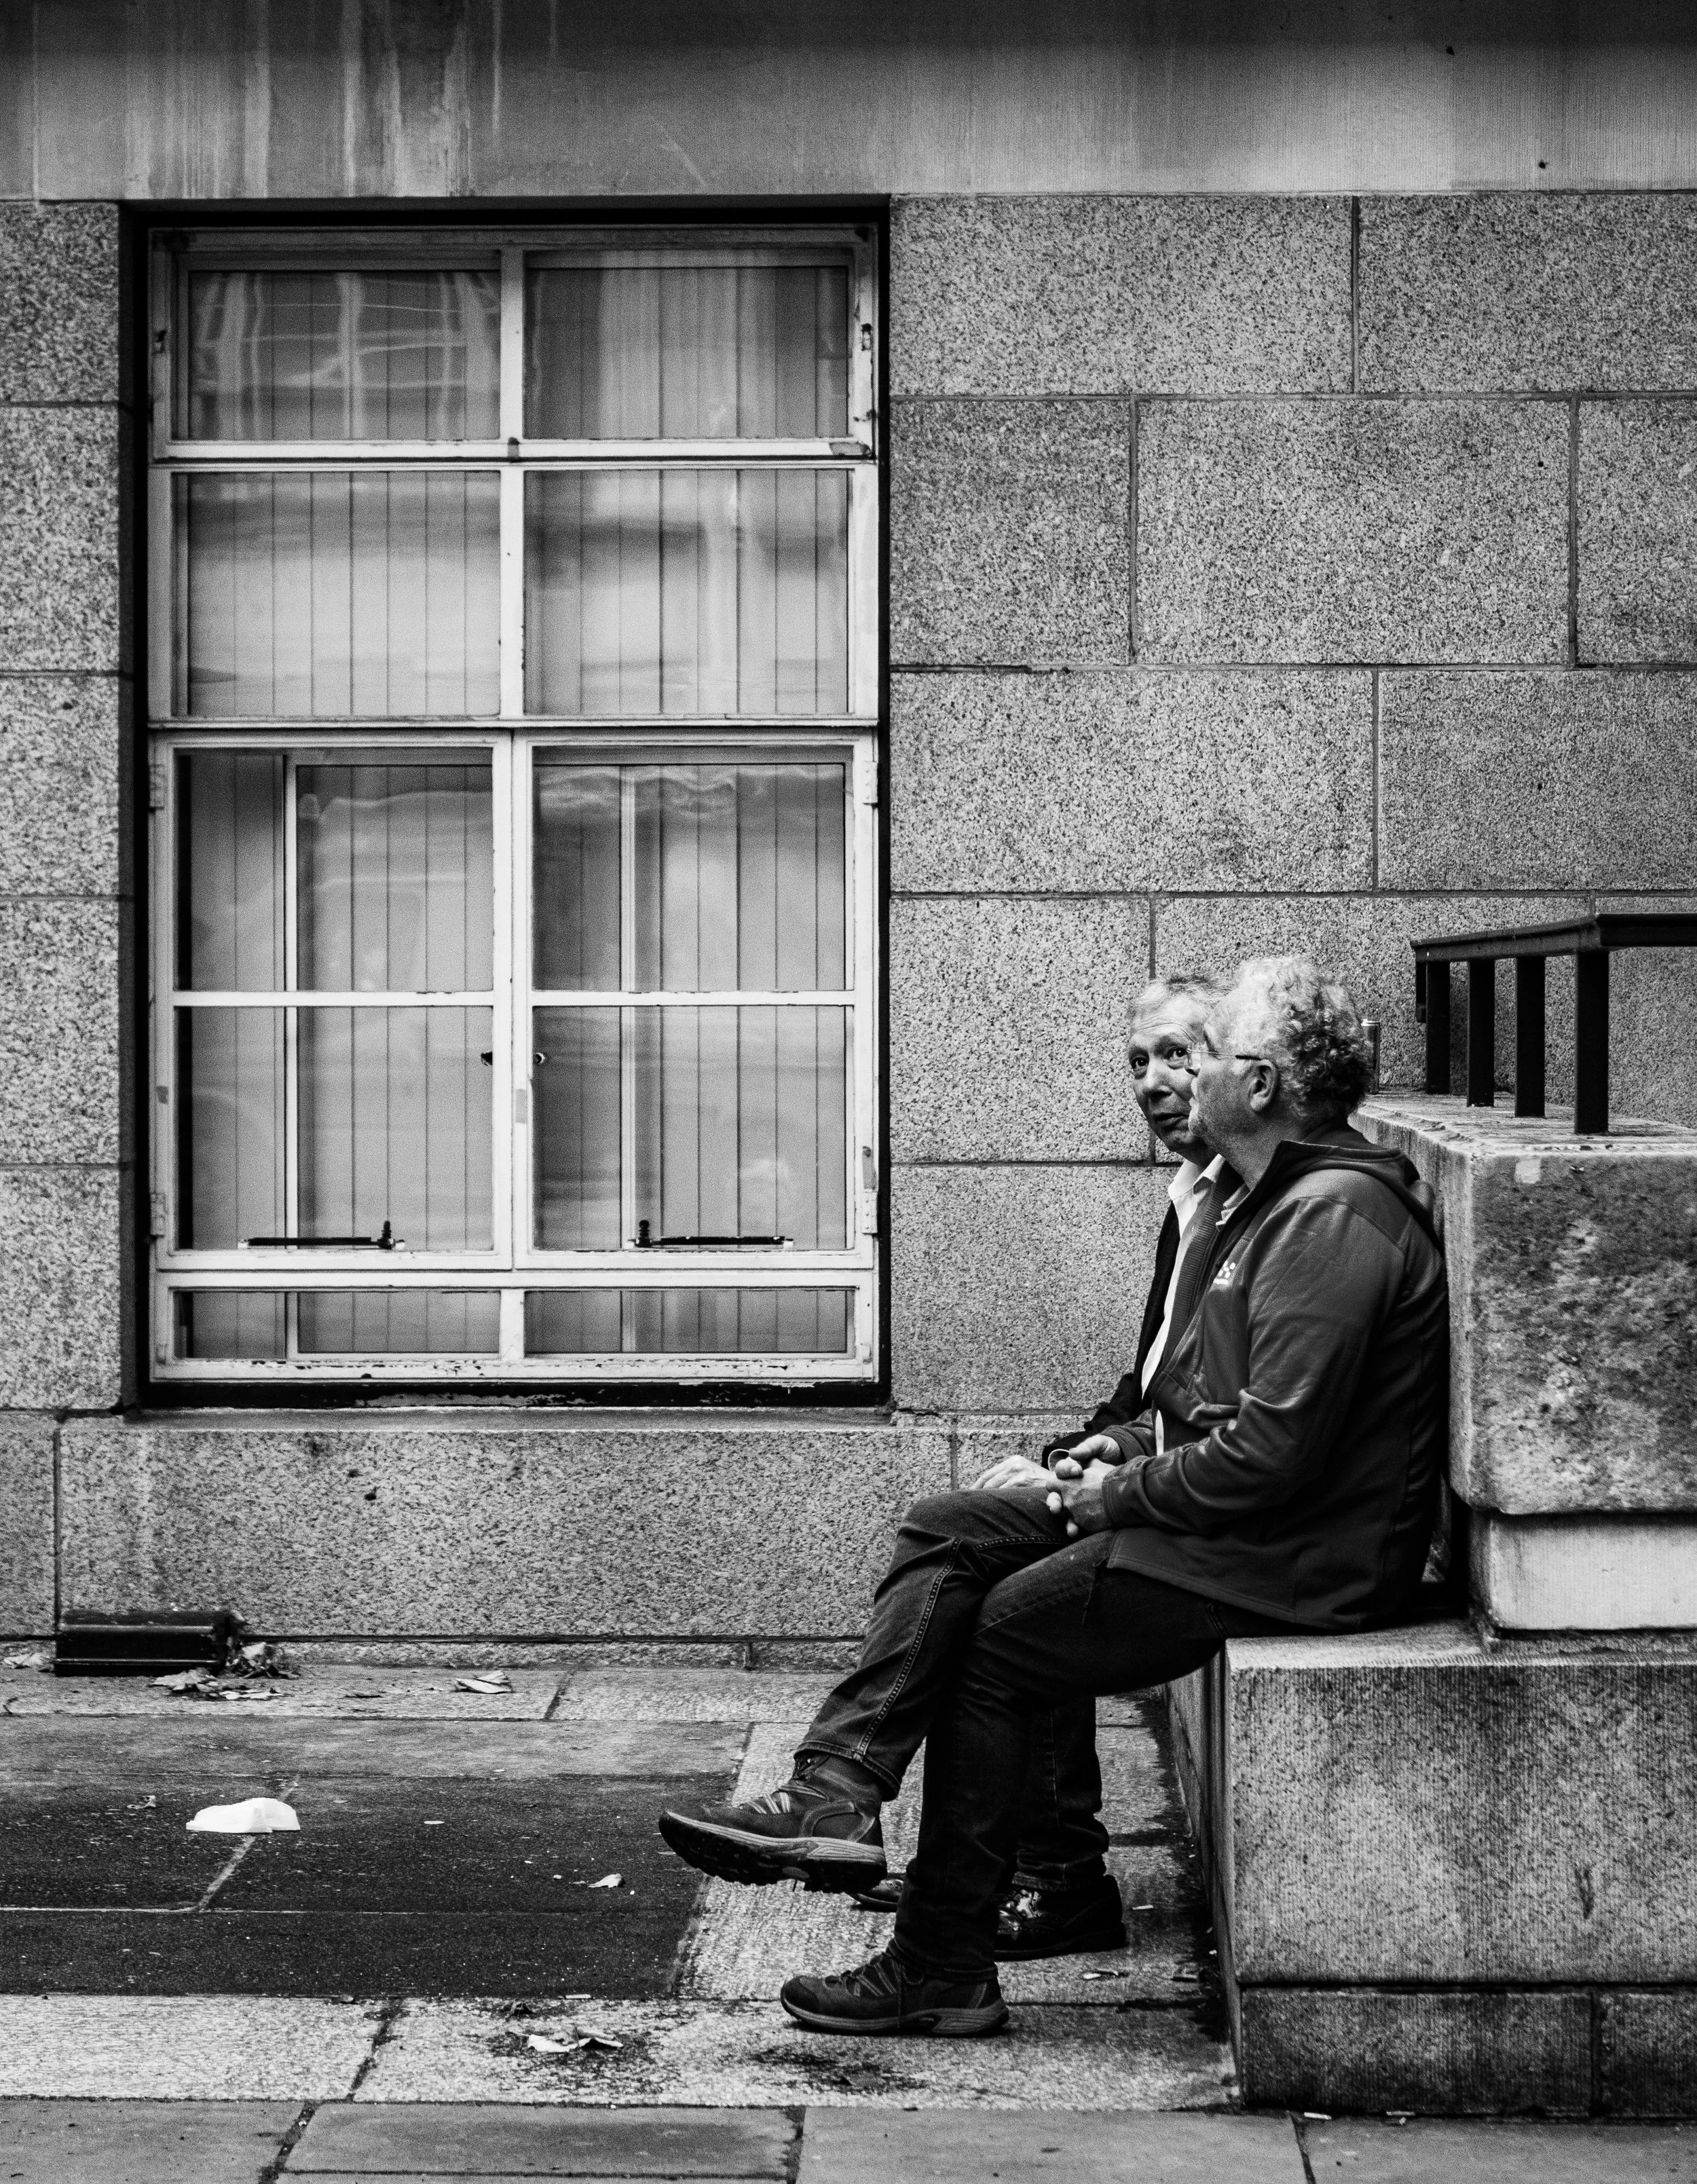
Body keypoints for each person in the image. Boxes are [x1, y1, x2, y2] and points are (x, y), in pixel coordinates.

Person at [659, 955, 1448, 2039]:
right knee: (951, 1527)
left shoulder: (1328, 1220)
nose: (1175, 1074)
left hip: (1292, 1560)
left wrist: (1108, 1496)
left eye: (1201, 1050)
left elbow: (1271, 1458)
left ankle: (936, 1957)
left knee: (998, 1640)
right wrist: (1104, 1461)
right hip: (1233, 1526)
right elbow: (1195, 1402)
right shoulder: (1266, 1205)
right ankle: (839, 1794)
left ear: (1258, 1086)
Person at [850, 971, 1234, 1963]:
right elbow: (1152, 1385)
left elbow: (1240, 1421)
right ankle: (983, 1854)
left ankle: (1020, 1868)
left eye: (1177, 1056)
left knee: (983, 1569)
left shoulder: (1257, 1207)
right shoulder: (1191, 1197)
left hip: (1223, 1524)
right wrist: (1073, 1456)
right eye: (1138, 1062)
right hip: (1172, 1481)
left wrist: (1103, 1482)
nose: (1153, 1082)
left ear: (1242, 1066)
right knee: (978, 1521)